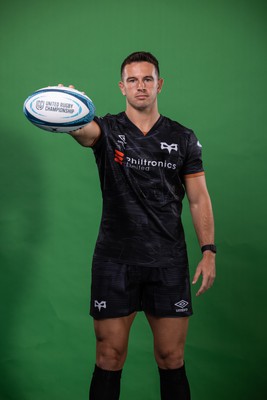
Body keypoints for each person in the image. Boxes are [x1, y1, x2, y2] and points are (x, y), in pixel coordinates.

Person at [68, 51, 216, 400]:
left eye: (147, 79)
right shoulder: (107, 129)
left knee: (171, 357)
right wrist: (68, 108)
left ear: (159, 84)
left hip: (167, 260)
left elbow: (198, 199)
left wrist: (209, 251)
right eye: (132, 80)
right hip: (114, 260)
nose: (140, 86)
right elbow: (82, 131)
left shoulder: (182, 138)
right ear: (122, 87)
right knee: (109, 355)